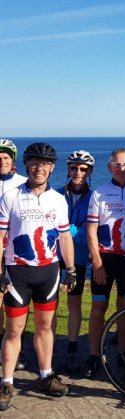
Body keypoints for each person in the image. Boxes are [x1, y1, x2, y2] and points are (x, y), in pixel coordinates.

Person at [0, 142, 76, 411]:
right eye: (34, 162)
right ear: (26, 165)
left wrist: (71, 270)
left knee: (45, 328)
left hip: (49, 272)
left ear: (52, 168)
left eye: (44, 164)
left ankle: (45, 375)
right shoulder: (10, 196)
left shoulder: (58, 199)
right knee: (14, 330)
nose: (39, 168)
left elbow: (65, 236)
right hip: (17, 273)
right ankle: (7, 381)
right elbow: (0, 238)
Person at [84, 148, 125, 378]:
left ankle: (122, 352)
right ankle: (94, 354)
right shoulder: (99, 192)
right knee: (98, 308)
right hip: (105, 260)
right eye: (117, 165)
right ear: (109, 167)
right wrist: (97, 263)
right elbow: (91, 230)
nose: (122, 169)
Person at [56, 150, 95, 373]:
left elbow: (94, 232)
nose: (77, 172)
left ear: (89, 171)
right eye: (73, 168)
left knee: (74, 304)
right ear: (68, 169)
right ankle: (48, 345)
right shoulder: (56, 194)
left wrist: (69, 231)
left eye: (82, 169)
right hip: (55, 257)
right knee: (49, 305)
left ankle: (72, 348)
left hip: (79, 259)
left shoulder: (95, 197)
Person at [0, 139, 27, 372]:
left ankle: (16, 347)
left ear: (13, 161)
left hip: (14, 251)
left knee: (15, 301)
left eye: (6, 158)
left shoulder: (22, 183)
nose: (2, 161)